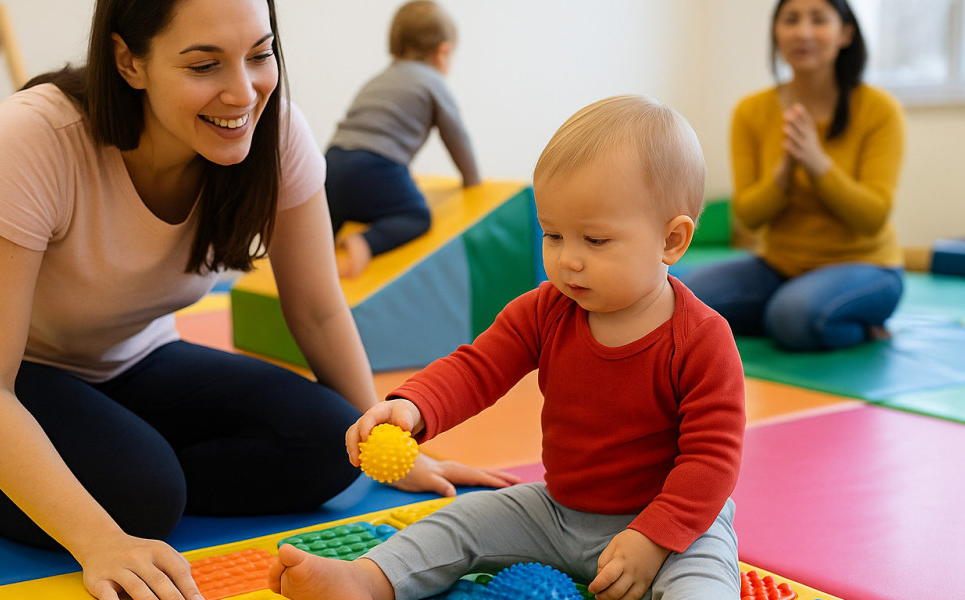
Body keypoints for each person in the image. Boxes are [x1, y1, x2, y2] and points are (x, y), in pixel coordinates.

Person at [0, 1, 513, 599]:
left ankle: (123, 469)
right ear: (128, 61)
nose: (243, 93)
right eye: (204, 66)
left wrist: (390, 449)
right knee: (139, 500)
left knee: (331, 443)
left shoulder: (275, 133)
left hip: (128, 358)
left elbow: (319, 309)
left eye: (259, 55)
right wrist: (99, 539)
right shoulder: (37, 137)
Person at [268, 95, 747, 600]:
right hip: (558, 513)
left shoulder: (701, 339)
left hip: (675, 526)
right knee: (459, 522)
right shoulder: (546, 310)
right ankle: (367, 579)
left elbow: (712, 461)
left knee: (706, 583)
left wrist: (652, 538)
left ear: (672, 241)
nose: (568, 261)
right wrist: (411, 406)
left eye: (596, 241)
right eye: (553, 235)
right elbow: (477, 369)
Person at [681, 0, 906, 351]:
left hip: (868, 267)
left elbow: (872, 217)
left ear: (845, 33)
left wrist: (817, 164)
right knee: (683, 300)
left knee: (792, 317)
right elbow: (749, 218)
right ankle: (786, 311)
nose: (802, 32)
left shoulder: (879, 109)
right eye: (791, 20)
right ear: (776, 32)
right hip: (778, 266)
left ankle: (858, 324)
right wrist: (783, 174)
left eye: (818, 20)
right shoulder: (751, 111)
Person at [326, 0, 480, 278]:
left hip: (331, 164)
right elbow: (456, 134)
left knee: (325, 227)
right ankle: (365, 243)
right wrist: (473, 181)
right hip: (373, 166)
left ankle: (317, 256)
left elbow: (368, 126)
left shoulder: (378, 80)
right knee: (415, 216)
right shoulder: (432, 81)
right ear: (442, 52)